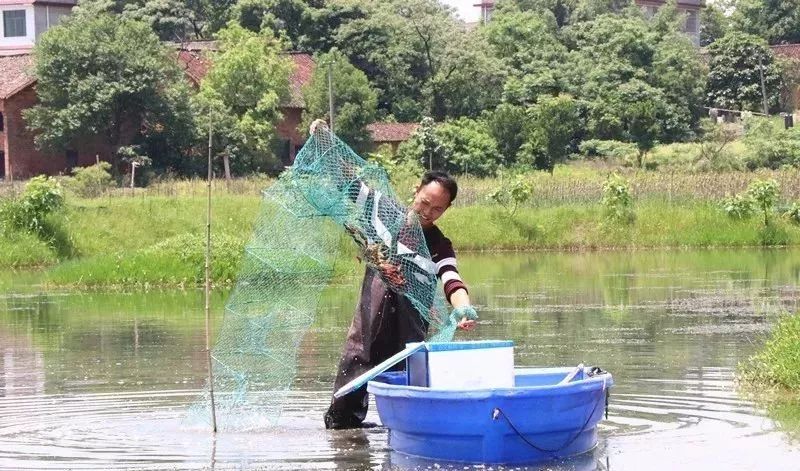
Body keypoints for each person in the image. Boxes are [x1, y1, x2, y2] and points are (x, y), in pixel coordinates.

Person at [323, 169, 478, 429]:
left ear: (446, 210)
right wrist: (324, 142)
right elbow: (350, 184)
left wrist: (463, 308)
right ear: (416, 190)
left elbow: (451, 279)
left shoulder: (439, 245)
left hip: (409, 336)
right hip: (368, 327)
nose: (427, 212)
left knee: (409, 406)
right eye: (425, 202)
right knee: (344, 411)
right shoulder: (383, 212)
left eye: (437, 209)